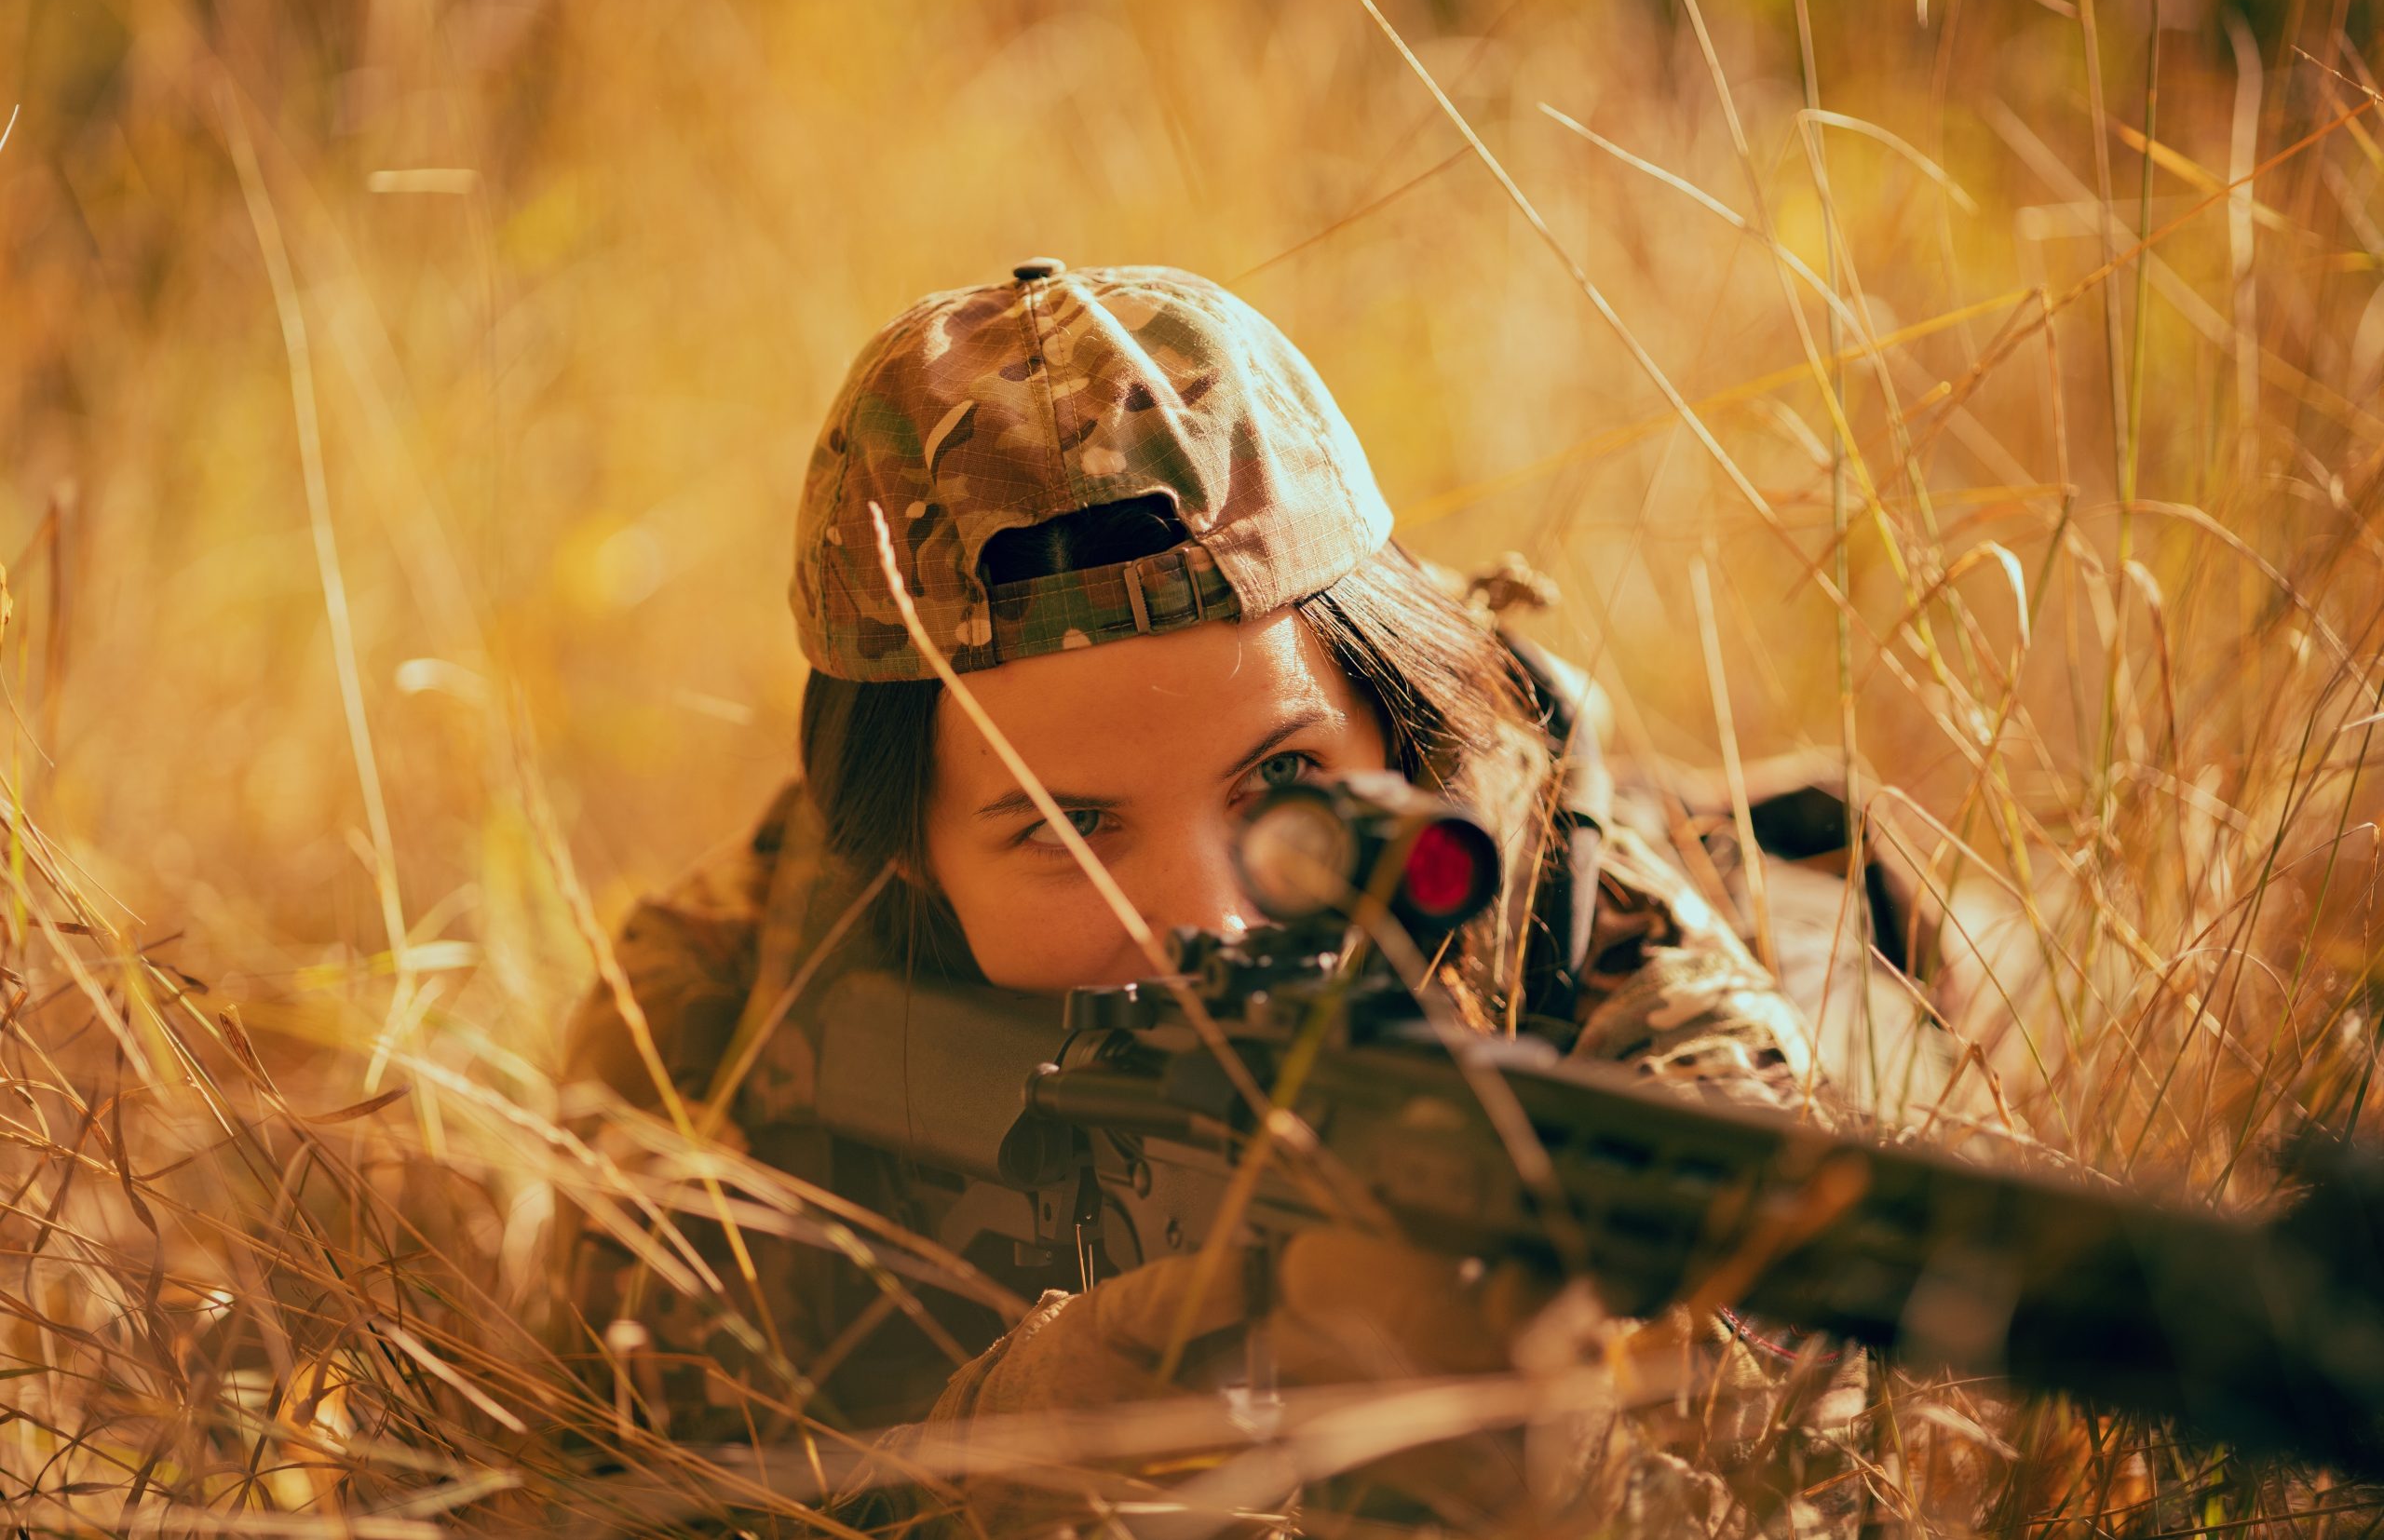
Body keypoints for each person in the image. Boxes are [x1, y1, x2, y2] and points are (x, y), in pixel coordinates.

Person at [551, 259, 1919, 1533]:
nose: (1212, 913)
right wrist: (1006, 1453)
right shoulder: (724, 1001)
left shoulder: (1581, 935)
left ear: (1396, 727)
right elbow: (617, 1466)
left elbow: (1845, 1459)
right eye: (1071, 829)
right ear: (900, 845)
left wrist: (1552, 1470)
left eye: (1283, 783)